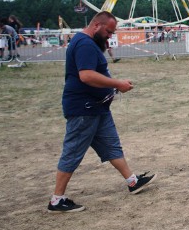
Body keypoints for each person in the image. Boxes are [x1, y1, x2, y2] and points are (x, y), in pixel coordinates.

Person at [48, 11, 156, 213]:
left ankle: (132, 181)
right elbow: (86, 76)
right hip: (84, 109)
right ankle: (57, 200)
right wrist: (117, 84)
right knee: (73, 152)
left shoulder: (87, 43)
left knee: (111, 145)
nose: (110, 36)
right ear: (96, 25)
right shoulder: (85, 44)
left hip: (97, 107)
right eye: (108, 31)